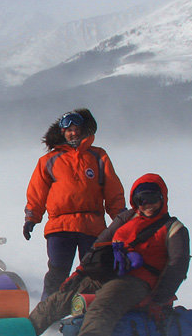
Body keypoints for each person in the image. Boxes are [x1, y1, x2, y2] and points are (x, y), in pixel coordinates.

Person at [29, 173, 190, 336]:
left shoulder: (173, 228)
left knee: (103, 306)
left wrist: (159, 299)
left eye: (153, 198)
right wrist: (79, 274)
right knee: (59, 300)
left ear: (163, 198)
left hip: (138, 282)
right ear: (135, 201)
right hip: (108, 274)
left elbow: (177, 265)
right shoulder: (127, 218)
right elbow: (99, 245)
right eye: (142, 200)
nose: (148, 205)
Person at [24, 108, 125, 300]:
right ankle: (47, 316)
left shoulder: (98, 156)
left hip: (92, 225)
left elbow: (113, 190)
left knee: (93, 274)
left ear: (84, 130)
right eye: (69, 130)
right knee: (57, 273)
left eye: (77, 128)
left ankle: (87, 316)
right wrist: (31, 218)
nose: (74, 133)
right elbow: (37, 192)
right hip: (60, 227)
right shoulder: (48, 160)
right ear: (62, 133)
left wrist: (121, 217)